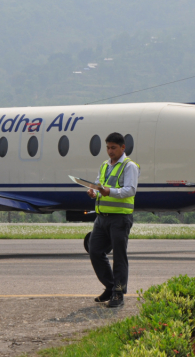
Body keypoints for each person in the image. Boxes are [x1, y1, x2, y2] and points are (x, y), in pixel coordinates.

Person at [87, 132, 139, 308]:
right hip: (102, 218)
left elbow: (130, 190)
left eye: (113, 148)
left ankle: (118, 293)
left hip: (119, 218)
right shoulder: (104, 165)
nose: (110, 151)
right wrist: (93, 191)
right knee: (94, 250)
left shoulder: (129, 166)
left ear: (123, 148)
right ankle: (110, 286)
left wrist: (110, 192)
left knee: (119, 256)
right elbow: (99, 183)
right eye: (108, 147)